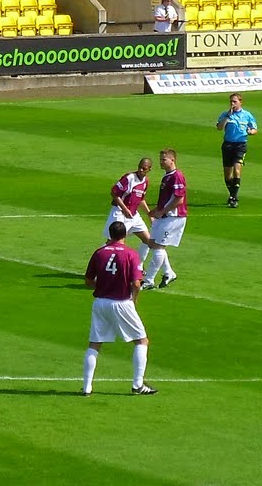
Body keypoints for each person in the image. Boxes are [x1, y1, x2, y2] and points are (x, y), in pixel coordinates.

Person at [80, 219, 157, 396]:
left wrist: (102, 287)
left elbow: (88, 281)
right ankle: (138, 385)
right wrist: (134, 300)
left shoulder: (99, 253)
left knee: (95, 343)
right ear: (125, 235)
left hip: (100, 303)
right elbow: (136, 284)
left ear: (110, 234)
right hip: (122, 303)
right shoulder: (131, 254)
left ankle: (86, 387)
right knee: (141, 340)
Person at [140, 147, 187, 289]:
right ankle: (169, 273)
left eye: (163, 159)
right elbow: (168, 198)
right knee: (152, 244)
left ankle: (148, 280)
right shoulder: (168, 176)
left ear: (172, 160)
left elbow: (179, 199)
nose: (160, 162)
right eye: (160, 159)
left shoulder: (177, 176)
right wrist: (155, 211)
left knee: (159, 247)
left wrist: (163, 211)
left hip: (173, 217)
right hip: (164, 216)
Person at [105, 156, 163, 256]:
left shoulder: (145, 181)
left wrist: (149, 214)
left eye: (144, 168)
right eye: (140, 167)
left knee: (148, 241)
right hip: (119, 213)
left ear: (149, 169)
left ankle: (138, 266)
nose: (141, 170)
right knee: (112, 242)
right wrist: (124, 209)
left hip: (133, 215)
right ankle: (102, 262)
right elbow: (114, 193)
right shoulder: (129, 178)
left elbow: (141, 199)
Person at [215, 92, 258, 208]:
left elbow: (255, 129)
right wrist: (227, 117)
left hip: (240, 145)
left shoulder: (247, 115)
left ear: (240, 102)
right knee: (227, 174)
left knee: (237, 169)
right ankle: (232, 194)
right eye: (231, 102)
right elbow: (219, 128)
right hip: (228, 145)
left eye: (234, 101)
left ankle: (234, 198)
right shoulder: (225, 114)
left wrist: (251, 132)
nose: (232, 104)